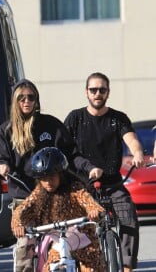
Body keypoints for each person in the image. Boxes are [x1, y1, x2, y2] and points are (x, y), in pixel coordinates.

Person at [0, 78, 103, 272]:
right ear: (15, 102)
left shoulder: (51, 124)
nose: (26, 101)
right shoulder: (6, 130)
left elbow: (72, 153)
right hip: (25, 195)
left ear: (36, 100)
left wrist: (89, 168)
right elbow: (0, 159)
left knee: (81, 243)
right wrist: (1, 166)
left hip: (56, 196)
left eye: (31, 97)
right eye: (21, 98)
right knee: (25, 250)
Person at [64, 72, 145, 272]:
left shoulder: (118, 118)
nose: (97, 93)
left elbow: (131, 139)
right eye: (93, 90)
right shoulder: (75, 118)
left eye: (102, 89)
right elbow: (64, 149)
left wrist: (137, 153)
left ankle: (126, 267)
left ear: (108, 92)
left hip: (114, 183)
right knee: (76, 228)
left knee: (129, 217)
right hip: (83, 186)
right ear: (86, 93)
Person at [11, 147, 106, 272]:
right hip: (58, 240)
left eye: (52, 177)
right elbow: (23, 209)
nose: (48, 182)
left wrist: (94, 211)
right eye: (43, 178)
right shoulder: (39, 193)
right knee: (49, 267)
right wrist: (18, 224)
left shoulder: (74, 188)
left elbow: (88, 201)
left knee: (92, 268)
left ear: (61, 174)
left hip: (84, 239)